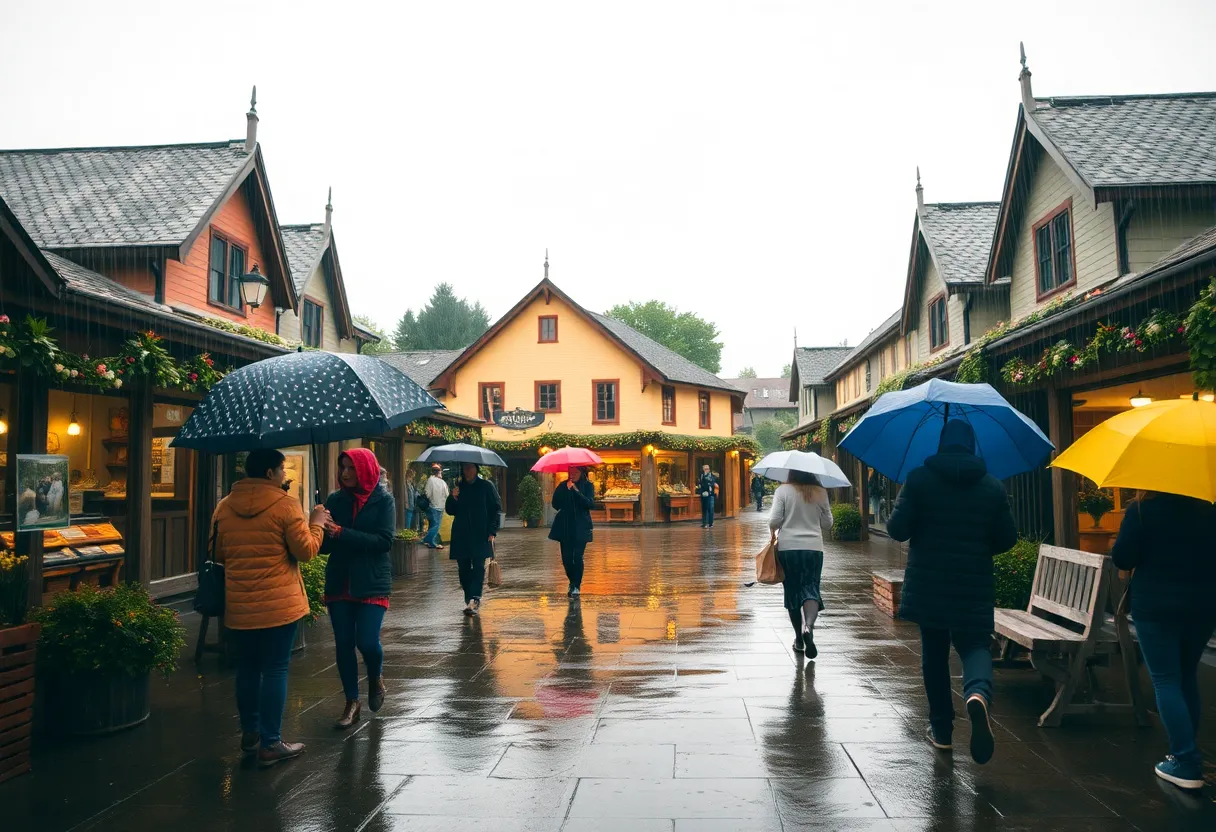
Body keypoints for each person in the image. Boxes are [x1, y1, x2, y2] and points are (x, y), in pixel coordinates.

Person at [887, 419, 1017, 765]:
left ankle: (942, 730)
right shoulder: (992, 486)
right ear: (972, 445)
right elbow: (1008, 539)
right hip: (973, 582)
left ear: (941, 443)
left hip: (929, 584)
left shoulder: (918, 479)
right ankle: (976, 693)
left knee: (934, 653)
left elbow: (897, 530)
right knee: (975, 644)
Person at [212, 448, 328, 767]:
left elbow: (218, 553)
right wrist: (316, 523)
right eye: (281, 469)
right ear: (268, 474)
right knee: (275, 668)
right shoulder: (285, 505)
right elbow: (306, 552)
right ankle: (271, 742)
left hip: (239, 604)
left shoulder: (223, 506)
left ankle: (251, 733)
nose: (284, 474)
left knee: (247, 668)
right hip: (279, 605)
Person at [1111, 491, 1216, 790]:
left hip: (1155, 605)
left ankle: (1185, 760)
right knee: (1186, 676)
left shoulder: (1143, 511)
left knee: (1165, 679)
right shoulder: (1209, 509)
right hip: (1203, 605)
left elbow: (1123, 557)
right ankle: (1185, 752)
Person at [321, 448, 396, 729]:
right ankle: (352, 701)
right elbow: (326, 548)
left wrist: (342, 533)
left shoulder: (383, 501)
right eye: (342, 467)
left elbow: (384, 541)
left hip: (371, 581)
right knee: (343, 644)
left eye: (351, 468)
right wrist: (319, 527)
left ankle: (375, 677)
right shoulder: (335, 500)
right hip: (340, 580)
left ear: (365, 469)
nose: (345, 473)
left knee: (366, 641)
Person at [769, 471, 833, 658]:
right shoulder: (820, 491)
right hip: (813, 548)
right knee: (811, 589)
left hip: (788, 548)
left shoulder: (783, 491)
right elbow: (828, 524)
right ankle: (808, 627)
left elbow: (774, 521)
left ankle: (798, 639)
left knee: (793, 592)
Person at [445, 462, 501, 616]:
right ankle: (468, 596)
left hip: (480, 533)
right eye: (465, 468)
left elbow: (496, 508)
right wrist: (453, 497)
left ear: (476, 469)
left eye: (471, 468)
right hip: (461, 534)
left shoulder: (486, 486)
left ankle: (475, 598)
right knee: (463, 569)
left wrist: (492, 531)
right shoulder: (459, 487)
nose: (468, 471)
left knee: (478, 567)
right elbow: (450, 510)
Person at [549, 467, 595, 597]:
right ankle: (572, 581)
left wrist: (575, 491)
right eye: (571, 472)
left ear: (582, 473)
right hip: (565, 525)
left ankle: (576, 585)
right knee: (567, 558)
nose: (572, 475)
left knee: (577, 556)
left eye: (576, 472)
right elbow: (556, 504)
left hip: (581, 525)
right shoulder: (563, 485)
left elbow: (590, 504)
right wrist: (564, 491)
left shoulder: (587, 486)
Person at [422, 464, 449, 549]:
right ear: (439, 472)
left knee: (433, 525)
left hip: (432, 506)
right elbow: (447, 495)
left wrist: (431, 498)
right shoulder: (443, 482)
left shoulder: (430, 480)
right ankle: (429, 541)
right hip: (441, 506)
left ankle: (429, 541)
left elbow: (427, 493)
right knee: (436, 525)